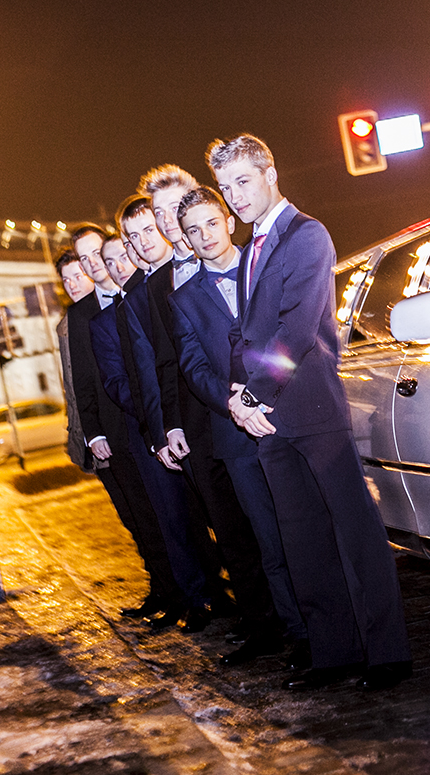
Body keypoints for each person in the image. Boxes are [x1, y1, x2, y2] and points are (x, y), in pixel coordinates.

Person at [208, 132, 410, 691]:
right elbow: (244, 335)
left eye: (242, 182)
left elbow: (296, 328)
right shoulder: (250, 248)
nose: (235, 197)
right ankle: (334, 654)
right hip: (268, 419)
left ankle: (387, 654)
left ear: (270, 175)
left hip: (312, 409)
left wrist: (254, 396)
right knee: (303, 542)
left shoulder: (307, 235)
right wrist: (237, 394)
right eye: (226, 187)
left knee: (355, 533)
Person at [135, 166, 283, 660]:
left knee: (275, 522)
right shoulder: (159, 285)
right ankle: (262, 622)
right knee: (233, 530)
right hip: (203, 423)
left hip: (253, 406)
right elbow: (166, 361)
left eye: (173, 208)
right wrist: (170, 424)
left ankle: (296, 619)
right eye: (160, 214)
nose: (169, 221)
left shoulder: (249, 261)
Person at [169, 185, 309, 667]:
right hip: (235, 432)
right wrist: (234, 404)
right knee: (268, 540)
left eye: (212, 223)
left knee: (307, 529)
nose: (205, 235)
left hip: (289, 412)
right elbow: (192, 366)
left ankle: (331, 625)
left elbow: (293, 331)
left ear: (229, 221)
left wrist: (266, 391)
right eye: (193, 231)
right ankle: (298, 636)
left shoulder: (266, 264)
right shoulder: (183, 300)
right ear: (185, 240)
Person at [90, 231, 212, 631]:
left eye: (121, 256)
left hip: (186, 419)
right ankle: (195, 599)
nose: (117, 266)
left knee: (206, 512)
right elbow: (116, 382)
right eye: (108, 262)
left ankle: (220, 590)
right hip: (147, 430)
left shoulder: (161, 292)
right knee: (172, 520)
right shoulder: (106, 321)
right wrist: (153, 411)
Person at [65, 225, 182, 622]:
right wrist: (93, 431)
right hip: (117, 433)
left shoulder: (141, 289)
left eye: (96, 253)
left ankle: (199, 590)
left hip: (157, 422)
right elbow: (82, 379)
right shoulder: (81, 314)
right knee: (141, 518)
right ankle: (166, 590)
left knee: (179, 512)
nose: (93, 263)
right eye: (83, 258)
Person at [55, 250, 98, 473]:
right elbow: (72, 387)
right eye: (66, 280)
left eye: (77, 276)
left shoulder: (109, 310)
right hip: (89, 437)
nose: (71, 285)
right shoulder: (66, 326)